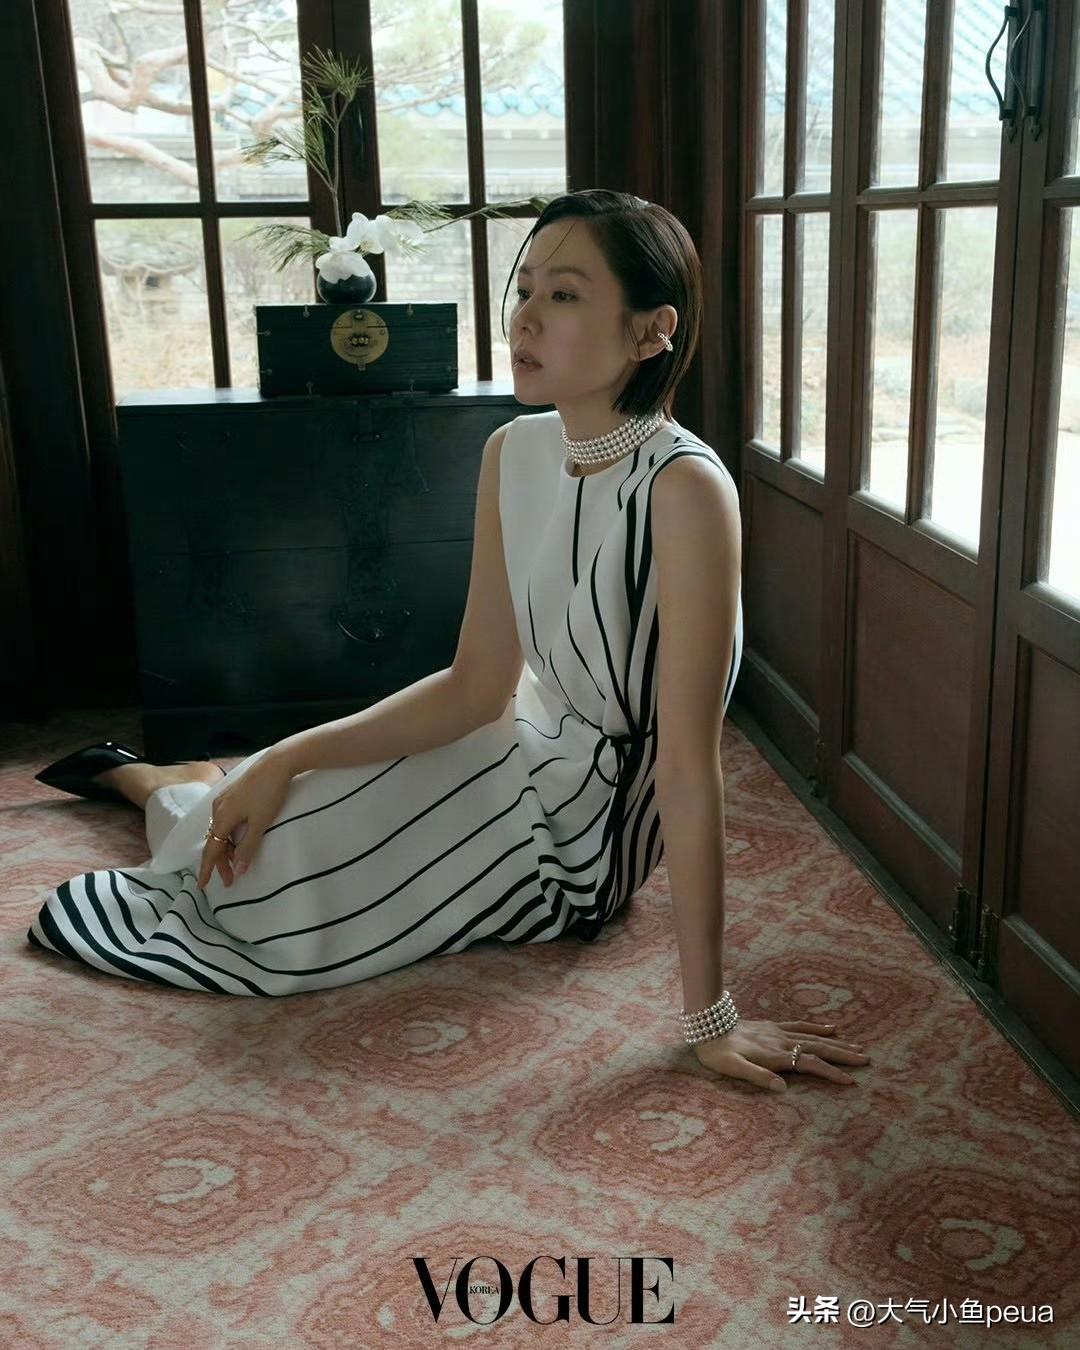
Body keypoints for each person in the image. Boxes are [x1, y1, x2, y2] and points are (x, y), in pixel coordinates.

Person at [28, 189, 869, 1093]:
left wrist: (710, 1018)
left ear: (651, 331)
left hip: (582, 834)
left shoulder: (684, 490)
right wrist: (286, 757)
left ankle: (162, 786)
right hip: (514, 741)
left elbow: (689, 767)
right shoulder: (515, 450)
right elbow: (475, 687)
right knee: (275, 797)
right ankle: (182, 782)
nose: (526, 317)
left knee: (259, 894)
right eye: (525, 287)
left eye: (565, 294)